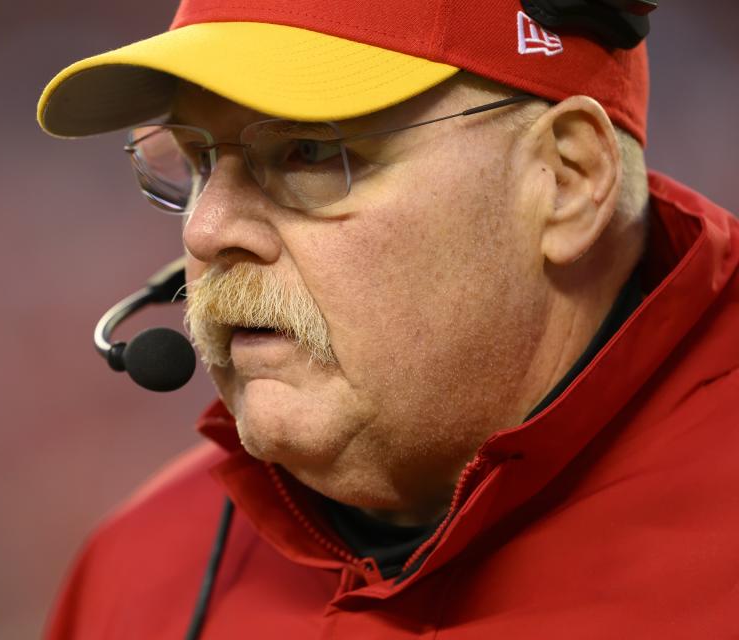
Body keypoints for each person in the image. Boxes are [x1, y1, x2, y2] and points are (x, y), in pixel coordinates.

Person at [37, 1, 739, 637]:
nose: (206, 230)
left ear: (565, 179)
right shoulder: (135, 573)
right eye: (197, 164)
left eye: (308, 152)